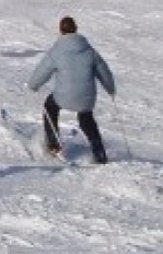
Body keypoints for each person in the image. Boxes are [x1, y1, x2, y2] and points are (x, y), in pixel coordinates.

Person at [27, 16, 115, 164]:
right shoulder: (89, 51)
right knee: (86, 120)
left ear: (61, 30)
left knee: (50, 107)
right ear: (76, 29)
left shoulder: (56, 51)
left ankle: (54, 145)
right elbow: (104, 71)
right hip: (86, 99)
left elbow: (42, 71)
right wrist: (110, 89)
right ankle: (100, 155)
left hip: (63, 97)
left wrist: (33, 85)